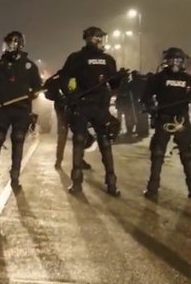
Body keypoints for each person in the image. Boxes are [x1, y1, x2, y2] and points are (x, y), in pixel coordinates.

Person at [60, 27, 120, 195]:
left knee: (86, 141)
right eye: (98, 38)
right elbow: (65, 79)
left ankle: (84, 183)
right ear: (91, 39)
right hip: (93, 105)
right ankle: (109, 183)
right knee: (101, 142)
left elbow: (64, 78)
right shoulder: (102, 59)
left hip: (89, 104)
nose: (101, 41)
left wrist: (70, 94)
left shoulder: (79, 57)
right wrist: (71, 94)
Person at [0, 32, 43, 191]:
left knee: (18, 139)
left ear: (19, 44)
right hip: (1, 110)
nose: (7, 47)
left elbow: (37, 87)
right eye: (6, 44)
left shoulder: (29, 65)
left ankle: (15, 173)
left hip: (21, 110)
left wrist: (33, 92)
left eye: (11, 44)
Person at [143, 47, 191, 200]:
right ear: (167, 61)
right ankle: (152, 189)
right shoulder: (158, 78)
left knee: (187, 155)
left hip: (181, 120)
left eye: (179, 60)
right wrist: (151, 106)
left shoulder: (190, 80)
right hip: (164, 118)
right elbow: (146, 96)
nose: (176, 63)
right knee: (157, 154)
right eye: (173, 59)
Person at [117, 69, 150, 139]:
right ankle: (143, 131)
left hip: (135, 102)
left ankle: (138, 131)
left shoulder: (132, 83)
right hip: (140, 102)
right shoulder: (143, 82)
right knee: (141, 117)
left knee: (135, 117)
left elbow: (126, 91)